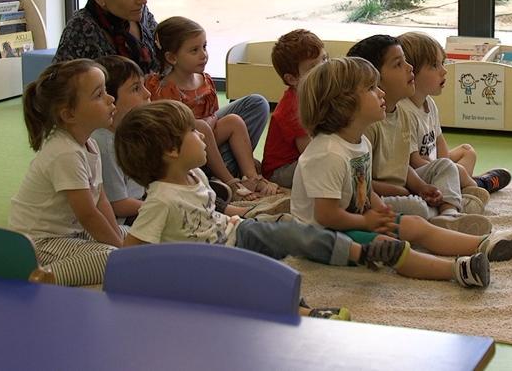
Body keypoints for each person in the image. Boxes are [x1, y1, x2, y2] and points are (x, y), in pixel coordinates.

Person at [113, 100, 413, 306]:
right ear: (171, 151)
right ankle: (305, 310)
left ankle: (363, 253)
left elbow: (209, 210)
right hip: (212, 263)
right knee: (261, 282)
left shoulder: (194, 176)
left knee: (295, 233)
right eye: (191, 132)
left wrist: (242, 213)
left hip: (237, 233)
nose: (202, 135)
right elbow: (132, 250)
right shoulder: (160, 199)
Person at [290, 57, 512, 288]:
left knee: (416, 224)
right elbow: (325, 215)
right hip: (319, 239)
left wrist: (381, 212)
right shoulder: (327, 153)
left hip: (348, 224)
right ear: (342, 104)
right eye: (370, 89)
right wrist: (367, 222)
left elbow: (363, 192)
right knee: (391, 248)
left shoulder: (359, 143)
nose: (380, 93)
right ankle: (458, 270)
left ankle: (488, 244)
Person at [348, 35, 491, 235]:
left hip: (403, 184)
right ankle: (448, 204)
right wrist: (407, 191)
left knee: (446, 165)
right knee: (419, 208)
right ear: (374, 80)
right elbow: (361, 183)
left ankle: (449, 214)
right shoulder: (369, 124)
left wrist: (421, 186)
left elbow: (402, 165)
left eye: (407, 61)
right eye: (399, 64)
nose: (410, 68)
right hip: (380, 193)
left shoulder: (400, 115)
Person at [92, 55, 250, 223]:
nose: (147, 94)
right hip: (136, 214)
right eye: (136, 88)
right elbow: (118, 205)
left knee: (191, 182)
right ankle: (222, 207)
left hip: (152, 193)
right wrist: (167, 203)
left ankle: (222, 204)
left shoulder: (137, 131)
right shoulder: (105, 143)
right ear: (111, 99)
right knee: (187, 196)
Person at [8, 59, 122, 286]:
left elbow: (101, 201)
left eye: (106, 91)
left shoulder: (89, 143)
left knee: (132, 235)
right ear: (69, 114)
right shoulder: (64, 152)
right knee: (111, 258)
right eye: (99, 95)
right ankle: (41, 276)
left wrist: (120, 239)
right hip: (39, 242)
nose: (110, 99)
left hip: (70, 233)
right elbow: (87, 214)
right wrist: (122, 252)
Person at [148, 16, 275, 197]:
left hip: (208, 138)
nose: (203, 55)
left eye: (204, 47)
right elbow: (173, 131)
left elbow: (214, 114)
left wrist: (209, 121)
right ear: (171, 57)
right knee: (200, 126)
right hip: (183, 147)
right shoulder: (164, 89)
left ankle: (251, 177)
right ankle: (229, 181)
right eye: (194, 50)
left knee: (234, 120)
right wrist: (205, 124)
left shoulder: (205, 80)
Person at [397, 31, 512, 204]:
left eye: (442, 63)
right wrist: (448, 169)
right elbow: (413, 161)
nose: (444, 71)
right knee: (456, 170)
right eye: (434, 66)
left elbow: (439, 140)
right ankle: (479, 185)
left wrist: (446, 164)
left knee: (467, 151)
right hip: (420, 173)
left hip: (436, 165)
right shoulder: (404, 111)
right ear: (412, 73)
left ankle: (462, 185)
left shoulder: (428, 102)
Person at [261, 29, 329, 189]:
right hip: (279, 172)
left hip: (299, 160)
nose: (324, 69)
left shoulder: (317, 93)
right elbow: (310, 152)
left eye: (325, 59)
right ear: (292, 79)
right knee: (329, 164)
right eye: (313, 67)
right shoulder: (294, 108)